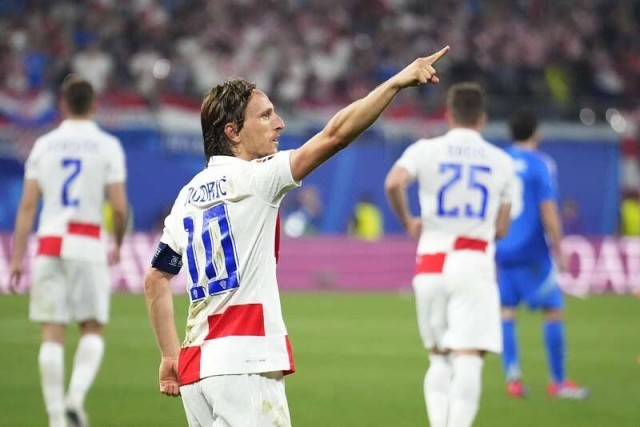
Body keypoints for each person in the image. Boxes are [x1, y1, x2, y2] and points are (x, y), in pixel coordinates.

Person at [143, 46, 450, 426]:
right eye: (265, 115)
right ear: (232, 132)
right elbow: (335, 136)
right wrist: (396, 83)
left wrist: (169, 355)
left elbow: (156, 278)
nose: (280, 123)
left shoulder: (186, 198)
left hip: (196, 369)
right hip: (245, 360)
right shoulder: (257, 177)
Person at [385, 82, 514, 427]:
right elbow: (502, 229)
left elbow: (394, 182)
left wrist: (408, 221)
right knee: (468, 357)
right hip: (472, 260)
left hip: (431, 262)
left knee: (438, 358)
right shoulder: (502, 162)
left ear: (449, 115)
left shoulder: (425, 149)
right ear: (483, 118)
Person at [8, 75, 128, 427]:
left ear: (62, 104)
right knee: (92, 326)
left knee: (52, 332)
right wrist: (118, 242)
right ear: (94, 105)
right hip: (86, 241)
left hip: (48, 243)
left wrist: (17, 257)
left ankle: (57, 418)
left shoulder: (44, 145)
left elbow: (27, 205)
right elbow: (119, 207)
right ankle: (75, 397)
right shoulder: (107, 145)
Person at [495, 110, 588, 399]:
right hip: (534, 251)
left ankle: (513, 379)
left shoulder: (498, 161)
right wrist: (559, 248)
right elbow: (548, 210)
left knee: (506, 311)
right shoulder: (540, 164)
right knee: (553, 309)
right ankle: (558, 382)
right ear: (535, 131)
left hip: (502, 248)